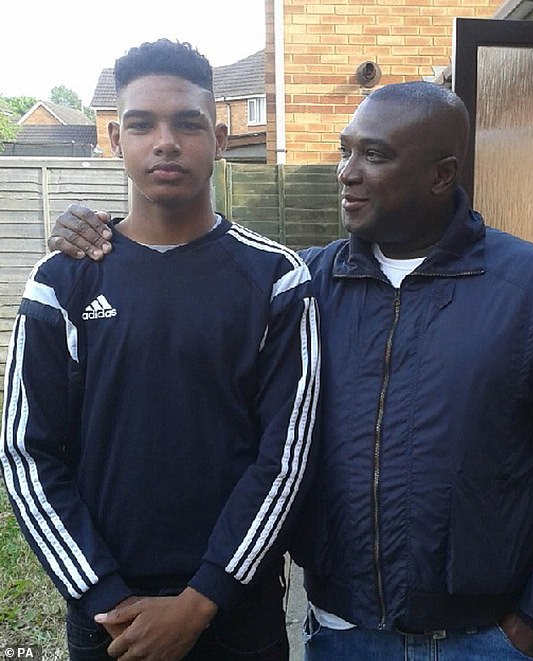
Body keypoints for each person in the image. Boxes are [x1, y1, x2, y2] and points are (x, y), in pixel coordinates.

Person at [47, 81, 533, 661]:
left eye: (374, 155)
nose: (347, 172)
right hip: (339, 633)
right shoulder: (304, 285)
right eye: (345, 151)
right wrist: (95, 232)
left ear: (441, 174)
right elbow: (196, 276)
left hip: (483, 639)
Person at [1, 39, 320, 661]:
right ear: (116, 139)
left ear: (220, 139)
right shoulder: (62, 281)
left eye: (188, 123)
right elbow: (26, 453)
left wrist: (203, 598)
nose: (166, 141)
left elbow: (287, 455)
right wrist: (101, 595)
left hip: (236, 611)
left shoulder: (277, 279)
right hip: (108, 618)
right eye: (143, 125)